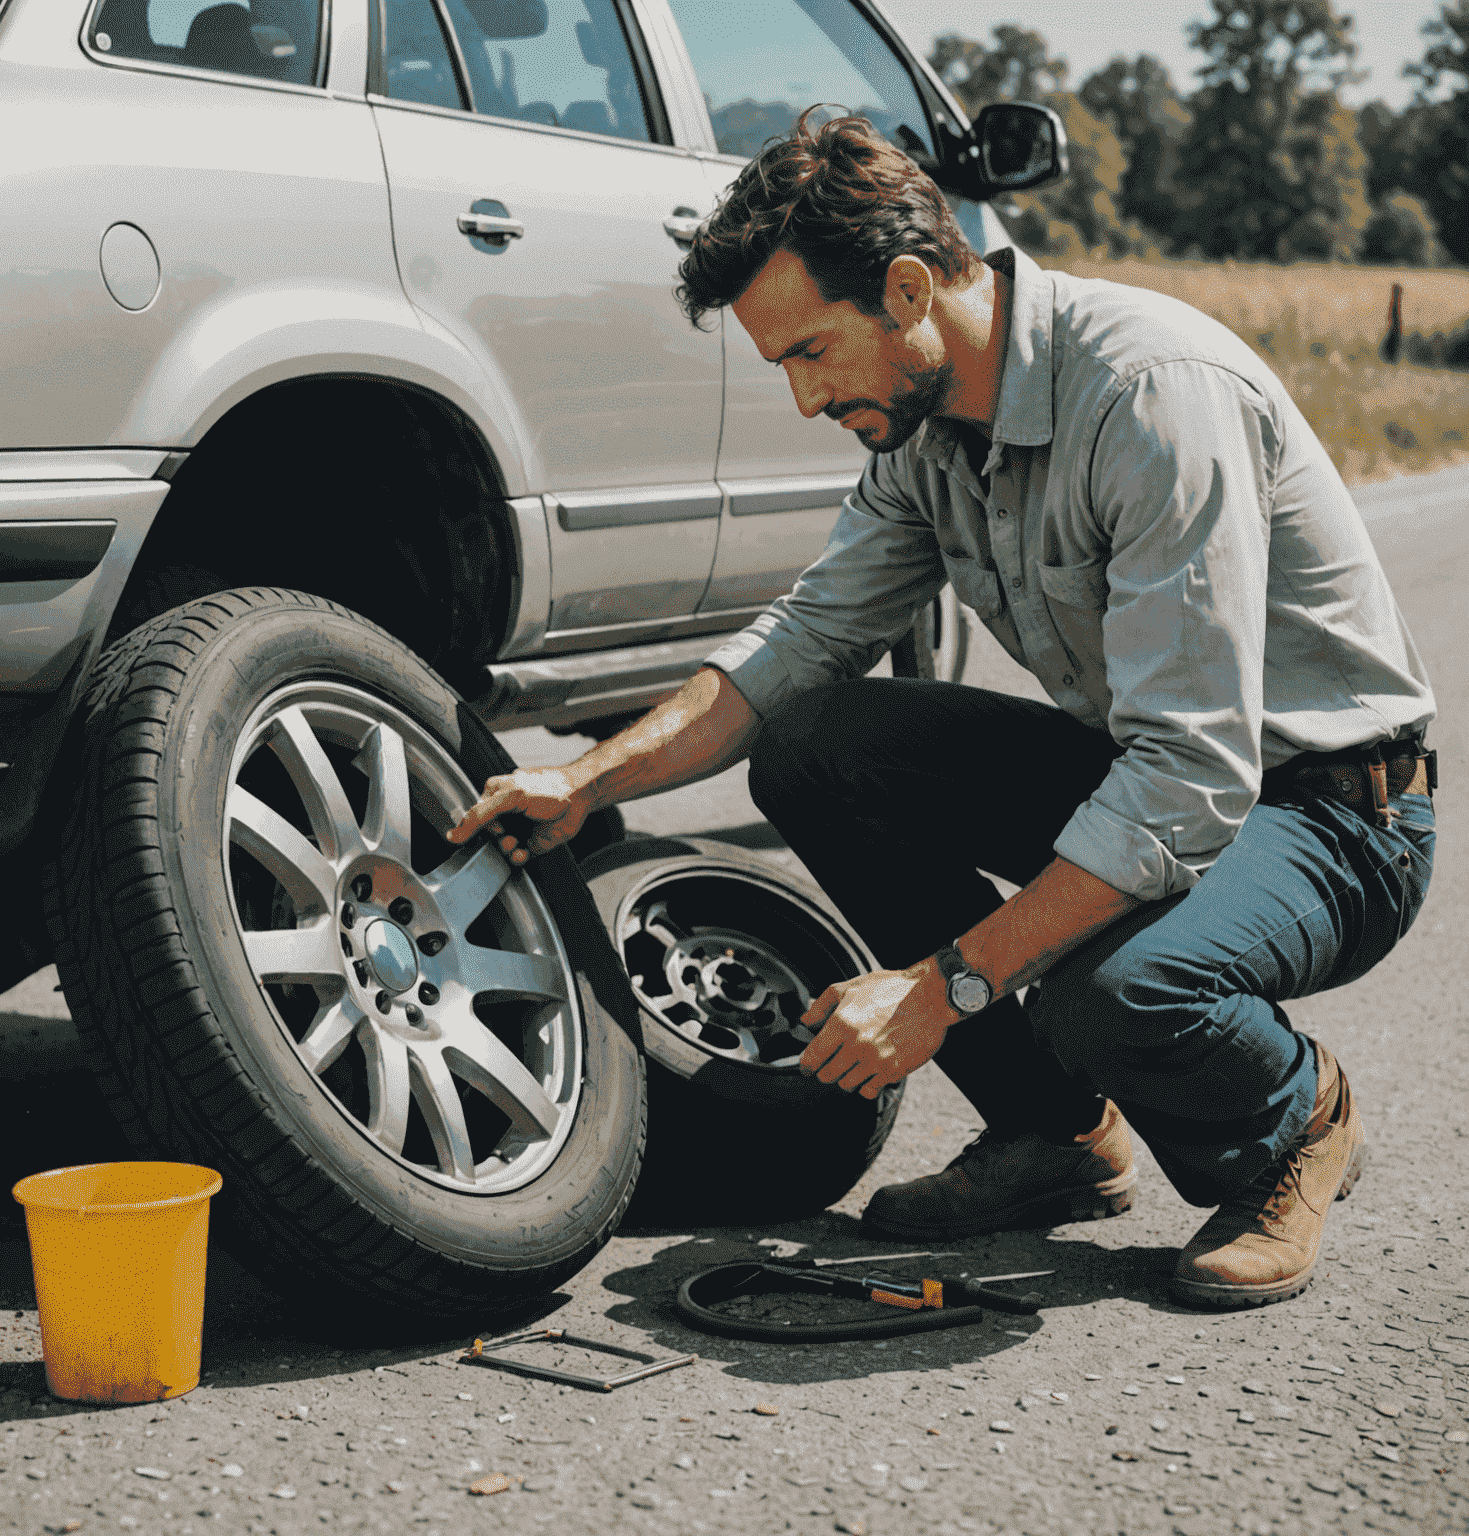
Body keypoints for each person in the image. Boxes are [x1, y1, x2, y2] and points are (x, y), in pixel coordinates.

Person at [448, 111, 1437, 1309]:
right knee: (815, 748)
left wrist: (939, 988)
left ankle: (1297, 1123)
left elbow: (1189, 780)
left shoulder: (1150, 395)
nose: (807, 400)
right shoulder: (923, 431)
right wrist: (587, 782)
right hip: (1157, 775)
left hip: (1334, 815)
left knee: (1107, 994)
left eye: (811, 353)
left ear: (908, 289)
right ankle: (1055, 1136)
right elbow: (803, 643)